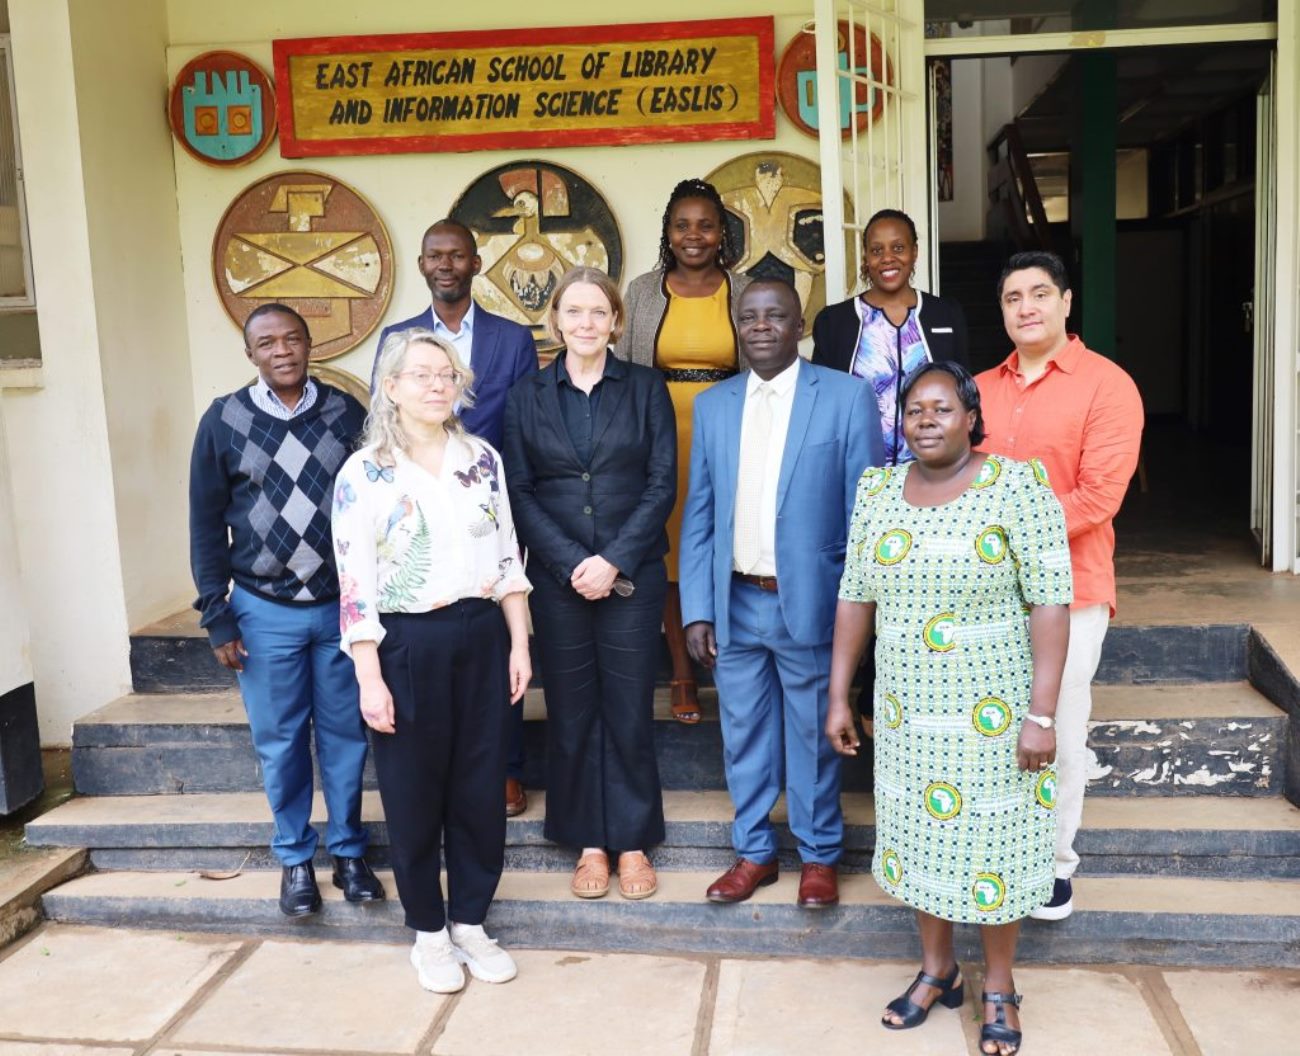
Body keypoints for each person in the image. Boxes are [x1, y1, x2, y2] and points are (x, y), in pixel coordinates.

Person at [827, 361, 1072, 1056]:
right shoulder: (877, 490)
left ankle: (998, 984)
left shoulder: (1016, 486)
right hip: (908, 714)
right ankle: (938, 971)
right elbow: (855, 596)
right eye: (913, 410)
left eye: (941, 408)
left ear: (971, 417)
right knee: (922, 841)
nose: (925, 419)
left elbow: (1051, 601)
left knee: (994, 843)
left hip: (994, 712)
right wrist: (838, 692)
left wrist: (1042, 714)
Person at [334, 329, 532, 994]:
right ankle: (428, 932)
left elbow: (507, 558)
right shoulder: (363, 475)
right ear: (391, 388)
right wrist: (369, 676)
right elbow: (355, 584)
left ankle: (471, 921)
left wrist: (520, 644)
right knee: (414, 790)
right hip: (406, 642)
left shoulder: (481, 459)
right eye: (419, 375)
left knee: (479, 785)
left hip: (482, 634)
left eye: (445, 375)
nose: (435, 385)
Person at [678, 279, 883, 908]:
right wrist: (697, 608)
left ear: (800, 326)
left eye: (776, 316)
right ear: (737, 327)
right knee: (742, 733)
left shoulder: (845, 398)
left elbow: (864, 516)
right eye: (749, 316)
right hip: (734, 600)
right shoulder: (715, 406)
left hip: (812, 602)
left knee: (814, 732)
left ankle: (819, 856)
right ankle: (754, 853)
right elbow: (701, 513)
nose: (761, 326)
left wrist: (857, 610)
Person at [189, 303, 384, 918]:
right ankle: (296, 860)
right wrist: (216, 614)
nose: (281, 351)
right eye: (266, 342)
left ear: (309, 345)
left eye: (292, 339)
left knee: (346, 736)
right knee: (280, 743)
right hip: (261, 609)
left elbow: (372, 500)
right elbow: (202, 524)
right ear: (250, 353)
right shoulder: (223, 420)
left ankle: (349, 852)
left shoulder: (344, 412)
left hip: (338, 609)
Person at [976, 250, 1144, 922]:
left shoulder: (1108, 386)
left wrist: (1009, 532)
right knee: (991, 732)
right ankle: (995, 851)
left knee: (1058, 731)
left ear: (1066, 302)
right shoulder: (980, 387)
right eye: (1013, 298)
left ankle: (1053, 867)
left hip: (1071, 591)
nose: (1027, 308)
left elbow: (1100, 496)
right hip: (984, 596)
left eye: (1040, 294)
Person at [504, 267, 676, 901]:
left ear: (616, 322)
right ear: (555, 323)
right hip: (556, 580)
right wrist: (572, 562)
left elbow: (662, 485)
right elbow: (517, 490)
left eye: (597, 313)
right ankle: (590, 844)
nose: (584, 323)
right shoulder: (526, 396)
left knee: (628, 709)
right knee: (573, 712)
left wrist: (613, 561)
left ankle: (632, 842)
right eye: (572, 313)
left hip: (632, 577)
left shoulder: (645, 388)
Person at [372, 218, 538, 819]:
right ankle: (440, 769)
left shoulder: (512, 338)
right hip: (416, 511)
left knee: (497, 640)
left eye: (458, 255)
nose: (446, 264)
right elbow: (379, 423)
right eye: (435, 255)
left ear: (476, 262)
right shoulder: (398, 337)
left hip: (485, 507)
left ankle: (507, 768)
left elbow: (521, 430)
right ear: (421, 265)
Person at [615, 178, 752, 725]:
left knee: (727, 546)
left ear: (722, 233)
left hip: (729, 437)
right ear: (667, 233)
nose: (693, 235)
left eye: (705, 224)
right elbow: (624, 373)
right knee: (669, 556)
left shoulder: (743, 291)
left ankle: (732, 663)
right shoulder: (644, 292)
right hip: (660, 438)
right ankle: (681, 672)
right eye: (681, 225)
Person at [812, 208, 969, 466]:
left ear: (914, 252)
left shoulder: (945, 314)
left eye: (898, 248)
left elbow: (964, 391)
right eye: (876, 250)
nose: (887, 258)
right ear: (866, 257)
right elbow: (823, 405)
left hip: (935, 468)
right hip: (860, 470)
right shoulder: (835, 321)